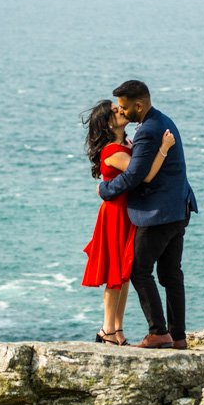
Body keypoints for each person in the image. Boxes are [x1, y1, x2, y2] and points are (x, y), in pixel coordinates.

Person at [98, 80, 198, 349]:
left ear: (138, 105)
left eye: (124, 107)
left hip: (158, 214)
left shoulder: (147, 131)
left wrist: (105, 189)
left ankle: (158, 332)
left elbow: (134, 176)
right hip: (178, 209)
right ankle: (178, 337)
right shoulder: (161, 121)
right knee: (171, 274)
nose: (122, 111)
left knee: (138, 270)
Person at [81, 99, 175, 346]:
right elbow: (143, 176)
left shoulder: (126, 143)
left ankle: (116, 329)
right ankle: (108, 329)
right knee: (115, 275)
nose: (119, 110)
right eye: (114, 111)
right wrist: (163, 149)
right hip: (116, 215)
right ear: (107, 124)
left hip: (127, 213)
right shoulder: (112, 151)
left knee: (123, 274)